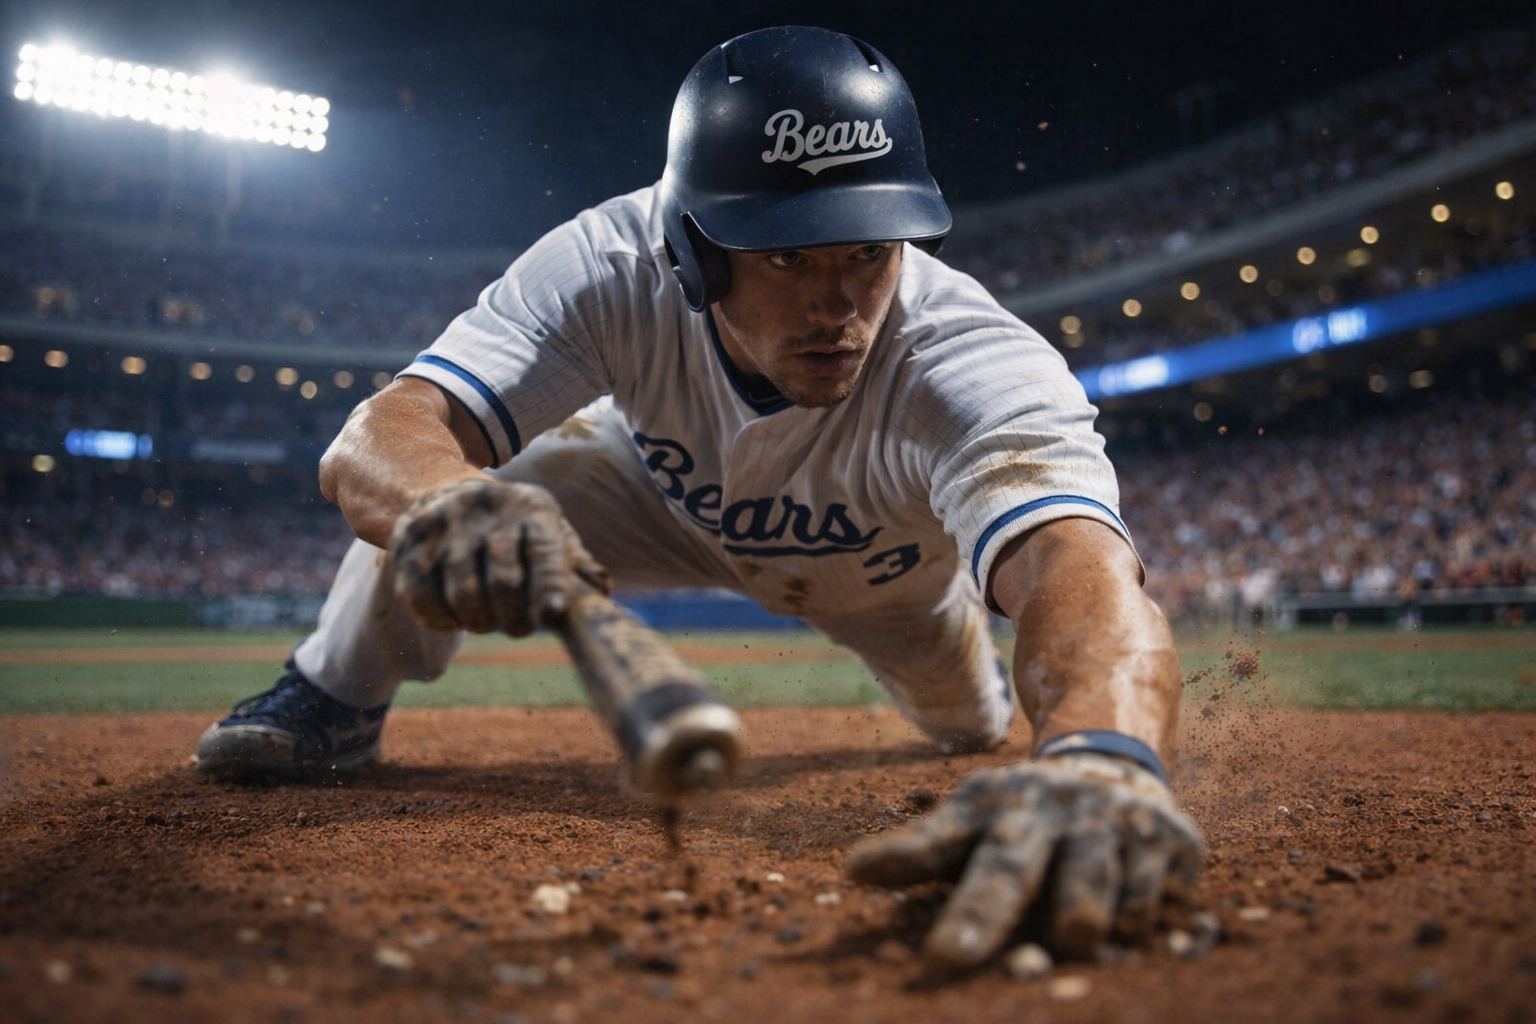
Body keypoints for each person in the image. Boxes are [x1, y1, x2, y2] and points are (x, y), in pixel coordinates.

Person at [195, 25, 1202, 967]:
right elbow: (387, 431)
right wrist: (443, 497)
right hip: (651, 493)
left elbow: (1081, 560)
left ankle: (976, 702)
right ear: (691, 248)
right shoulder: (608, 262)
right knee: (471, 481)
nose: (840, 304)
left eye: (868, 249)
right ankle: (333, 695)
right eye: (788, 256)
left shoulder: (973, 364)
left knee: (971, 728)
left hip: (887, 577)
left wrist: (1103, 749)